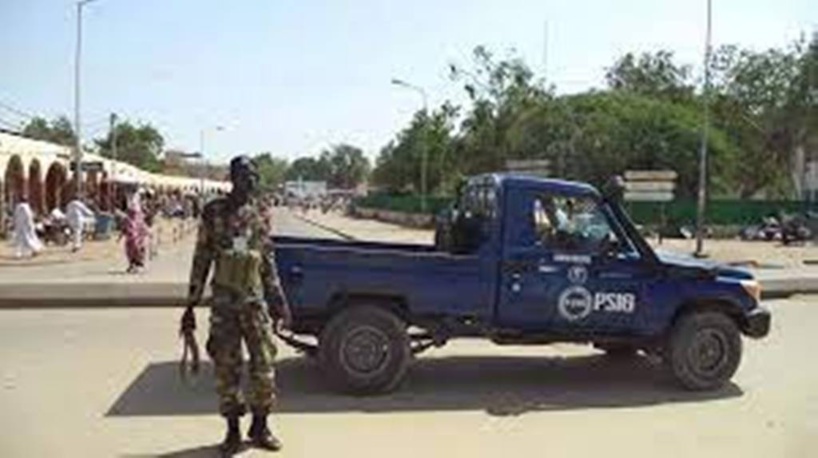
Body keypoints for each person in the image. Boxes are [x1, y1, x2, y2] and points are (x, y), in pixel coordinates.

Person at [181, 155, 292, 456]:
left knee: (264, 365)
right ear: (233, 178)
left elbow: (267, 258)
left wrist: (279, 299)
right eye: (245, 174)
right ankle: (232, 431)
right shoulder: (214, 212)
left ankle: (260, 426)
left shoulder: (261, 211)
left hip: (255, 303)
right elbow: (202, 259)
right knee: (227, 370)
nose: (251, 180)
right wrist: (190, 305)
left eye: (254, 175)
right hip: (224, 306)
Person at [119, 207, 149, 273]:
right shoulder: (127, 220)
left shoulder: (139, 220)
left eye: (134, 212)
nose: (133, 214)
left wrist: (146, 234)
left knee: (139, 251)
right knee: (130, 253)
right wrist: (120, 237)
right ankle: (132, 265)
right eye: (131, 212)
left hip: (138, 240)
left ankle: (138, 264)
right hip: (130, 240)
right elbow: (123, 229)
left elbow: (144, 228)